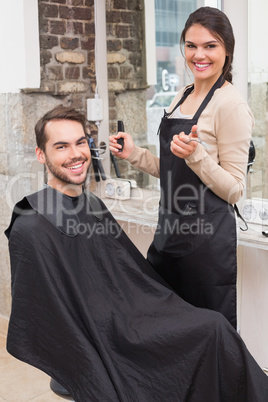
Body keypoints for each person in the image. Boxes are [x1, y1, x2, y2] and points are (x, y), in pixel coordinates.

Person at [5, 105, 268, 402]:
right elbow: (45, 316)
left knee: (214, 327)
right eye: (61, 146)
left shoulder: (90, 203)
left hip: (130, 314)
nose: (76, 154)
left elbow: (123, 270)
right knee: (212, 331)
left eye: (80, 143)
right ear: (41, 155)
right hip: (107, 333)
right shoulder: (31, 225)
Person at [109, 6, 254, 330]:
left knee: (205, 332)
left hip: (206, 242)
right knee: (162, 327)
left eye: (210, 45)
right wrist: (134, 154)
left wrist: (197, 156)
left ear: (227, 50)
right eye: (191, 45)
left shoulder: (231, 106)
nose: (199, 54)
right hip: (169, 233)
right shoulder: (181, 95)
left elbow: (234, 189)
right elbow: (174, 171)